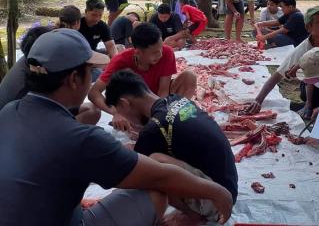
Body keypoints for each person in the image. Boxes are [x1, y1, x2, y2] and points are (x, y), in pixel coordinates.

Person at [0, 29, 233, 226]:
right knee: (157, 191)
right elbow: (159, 176)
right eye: (90, 72)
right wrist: (216, 191)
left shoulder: (9, 112)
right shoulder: (81, 138)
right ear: (73, 79)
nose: (92, 78)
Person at [105, 70, 238, 222]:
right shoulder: (176, 99)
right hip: (228, 183)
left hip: (218, 203)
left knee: (153, 164)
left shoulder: (153, 131)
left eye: (120, 111)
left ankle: (192, 214)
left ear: (124, 103)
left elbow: (138, 174)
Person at [89, 23, 197, 132]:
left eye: (160, 48)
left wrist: (158, 117)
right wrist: (115, 113)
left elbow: (163, 91)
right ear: (138, 52)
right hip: (134, 108)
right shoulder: (120, 61)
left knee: (189, 77)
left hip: (157, 101)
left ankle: (176, 118)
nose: (160, 54)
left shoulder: (167, 53)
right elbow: (94, 93)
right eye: (154, 52)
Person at [246, 5, 319, 118]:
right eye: (318, 22)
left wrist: (301, 63)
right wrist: (258, 100)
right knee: (308, 86)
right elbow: (278, 74)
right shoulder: (303, 47)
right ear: (309, 27)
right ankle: (311, 104)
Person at [0, 25, 101, 124]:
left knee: (92, 111)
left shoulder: (34, 63)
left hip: (38, 114)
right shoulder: (27, 85)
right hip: (29, 123)